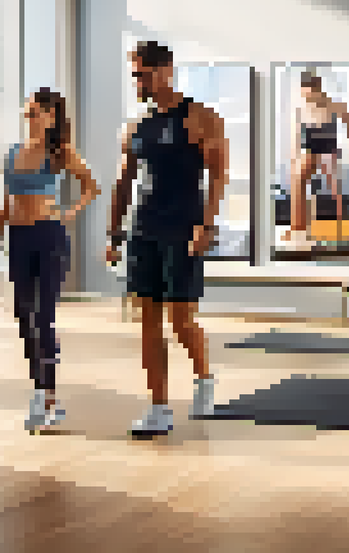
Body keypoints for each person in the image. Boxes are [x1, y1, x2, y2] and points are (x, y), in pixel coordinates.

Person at [105, 41, 228, 437]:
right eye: (135, 75)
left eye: (143, 74)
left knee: (181, 321)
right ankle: (158, 407)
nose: (138, 82)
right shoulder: (134, 126)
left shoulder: (200, 117)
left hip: (183, 229)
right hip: (143, 230)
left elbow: (218, 175)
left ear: (166, 70)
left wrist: (206, 225)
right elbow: (123, 182)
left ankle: (204, 379)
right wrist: (114, 233)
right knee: (148, 322)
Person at [0, 88, 100, 432]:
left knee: (44, 316)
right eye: (28, 113)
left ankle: (46, 396)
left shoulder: (60, 152)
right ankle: (41, 390)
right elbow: (7, 202)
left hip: (49, 237)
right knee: (24, 315)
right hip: (19, 239)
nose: (30, 118)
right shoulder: (12, 153)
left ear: (51, 117)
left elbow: (91, 186)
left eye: (35, 113)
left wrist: (69, 213)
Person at [286, 71, 349, 245]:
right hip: (310, 148)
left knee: (334, 185)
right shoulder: (301, 109)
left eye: (310, 94)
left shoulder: (334, 106)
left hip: (328, 148)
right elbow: (296, 135)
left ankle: (339, 226)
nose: (308, 98)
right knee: (297, 179)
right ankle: (297, 227)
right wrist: (294, 158)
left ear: (318, 89)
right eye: (305, 95)